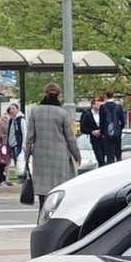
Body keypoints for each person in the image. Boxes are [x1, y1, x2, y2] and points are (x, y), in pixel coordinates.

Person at [26, 84, 78, 213]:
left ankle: (42, 211)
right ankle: (55, 212)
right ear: (58, 95)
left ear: (44, 93)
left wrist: (26, 155)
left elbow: (30, 137)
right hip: (60, 156)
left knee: (43, 188)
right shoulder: (63, 113)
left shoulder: (35, 111)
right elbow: (70, 138)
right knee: (58, 187)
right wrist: (77, 155)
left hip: (40, 155)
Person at [96, 90, 127, 166]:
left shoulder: (103, 107)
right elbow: (123, 121)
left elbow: (102, 122)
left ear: (106, 96)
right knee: (118, 154)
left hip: (107, 134)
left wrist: (103, 132)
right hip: (117, 133)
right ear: (114, 95)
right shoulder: (118, 107)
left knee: (109, 155)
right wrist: (119, 129)